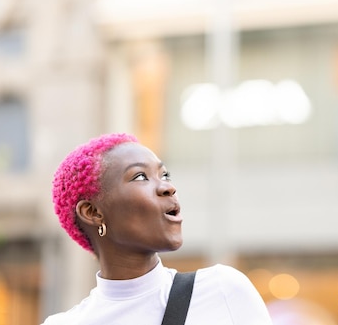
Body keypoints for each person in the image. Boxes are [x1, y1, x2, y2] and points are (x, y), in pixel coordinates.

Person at [41, 132, 272, 325]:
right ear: (92, 212)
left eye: (165, 175)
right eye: (141, 176)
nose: (168, 187)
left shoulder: (224, 291)